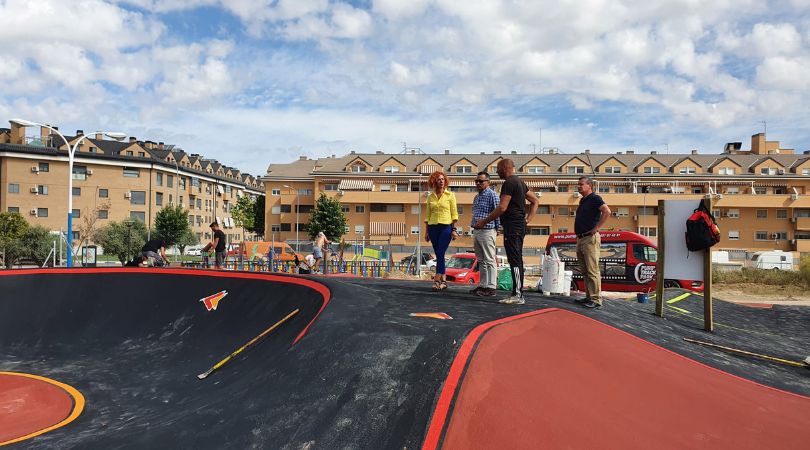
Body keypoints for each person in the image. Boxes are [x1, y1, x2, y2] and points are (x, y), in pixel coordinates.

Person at [474, 158, 539, 304]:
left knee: (515, 259)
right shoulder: (520, 182)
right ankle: (517, 293)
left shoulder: (509, 183)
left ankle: (518, 295)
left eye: (498, 169)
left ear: (504, 168)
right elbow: (535, 201)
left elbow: (502, 207)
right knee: (515, 259)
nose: (497, 172)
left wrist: (484, 222)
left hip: (513, 227)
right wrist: (527, 220)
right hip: (517, 226)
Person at [574, 176, 611, 309]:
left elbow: (607, 211)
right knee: (585, 270)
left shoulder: (595, 198)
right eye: (578, 184)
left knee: (592, 269)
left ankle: (596, 299)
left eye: (581, 184)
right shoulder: (583, 200)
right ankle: (589, 296)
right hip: (581, 238)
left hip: (590, 238)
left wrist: (597, 228)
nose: (578, 186)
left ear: (589, 185)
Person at [424, 170, 458, 291]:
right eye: (439, 179)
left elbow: (454, 214)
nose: (441, 181)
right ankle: (444, 281)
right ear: (434, 181)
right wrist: (426, 232)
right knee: (440, 254)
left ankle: (437, 279)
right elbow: (427, 216)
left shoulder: (450, 195)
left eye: (443, 179)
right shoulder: (430, 197)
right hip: (433, 227)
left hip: (446, 227)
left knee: (439, 252)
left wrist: (454, 229)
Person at [470, 171, 500, 297]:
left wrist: (498, 228)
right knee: (481, 260)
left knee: (489, 259)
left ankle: (491, 287)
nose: (478, 183)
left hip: (488, 230)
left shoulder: (492, 195)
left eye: (481, 181)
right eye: (476, 181)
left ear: (488, 182)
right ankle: (483, 285)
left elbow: (498, 211)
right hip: (477, 231)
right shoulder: (477, 197)